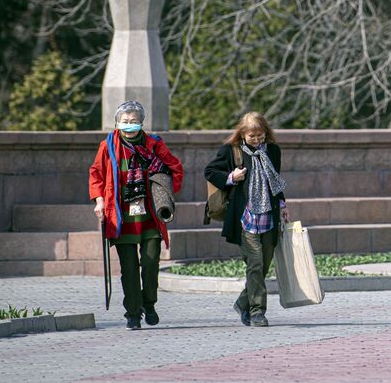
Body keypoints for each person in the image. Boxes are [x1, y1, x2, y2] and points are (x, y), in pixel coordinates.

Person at [89, 100, 183, 330]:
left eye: (134, 122)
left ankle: (148, 303)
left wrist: (165, 192)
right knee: (129, 268)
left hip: (150, 216)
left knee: (150, 264)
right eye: (125, 121)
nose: (130, 125)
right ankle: (132, 313)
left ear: (142, 123)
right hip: (121, 217)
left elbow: (175, 168)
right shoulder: (108, 145)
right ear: (117, 122)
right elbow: (96, 174)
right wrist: (99, 201)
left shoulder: (154, 145)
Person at [204, 111, 289, 327]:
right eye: (252, 136)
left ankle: (243, 301)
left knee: (264, 264)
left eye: (260, 135)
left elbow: (275, 180)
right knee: (255, 262)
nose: (257, 140)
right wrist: (232, 177)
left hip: (269, 214)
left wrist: (282, 205)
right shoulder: (231, 151)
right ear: (242, 133)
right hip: (245, 216)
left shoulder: (273, 151)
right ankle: (257, 311)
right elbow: (210, 171)